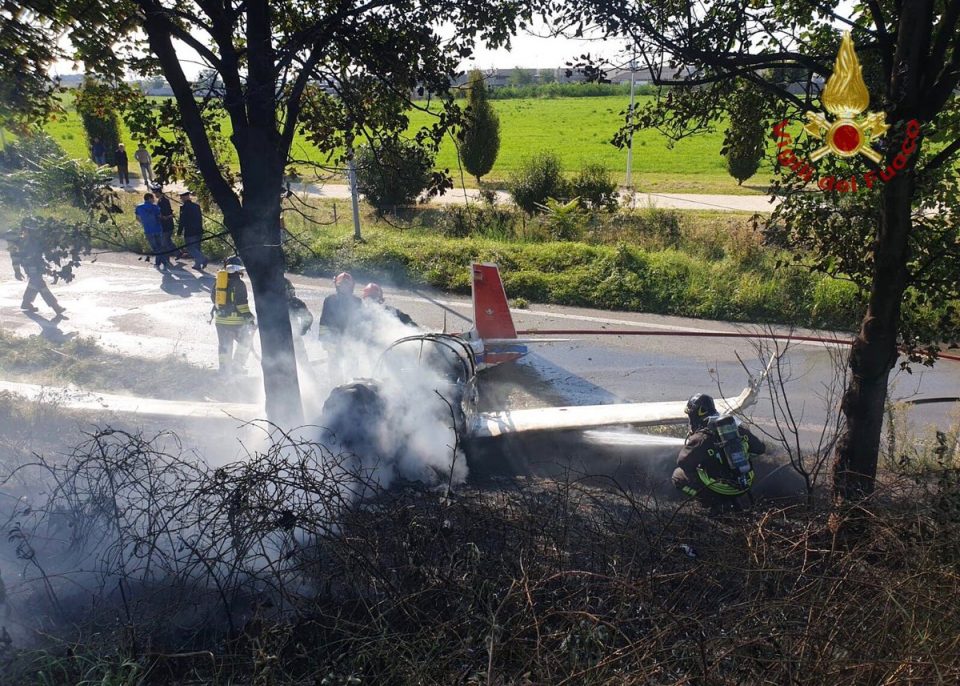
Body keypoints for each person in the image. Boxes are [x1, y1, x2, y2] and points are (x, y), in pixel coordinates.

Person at [672, 393, 765, 513]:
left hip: (721, 489)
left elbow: (683, 462)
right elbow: (760, 449)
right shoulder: (736, 429)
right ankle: (733, 499)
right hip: (745, 485)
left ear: (695, 414)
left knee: (677, 476)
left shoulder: (701, 438)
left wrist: (704, 456)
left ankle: (709, 502)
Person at [7, 226, 66, 317]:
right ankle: (55, 306)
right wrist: (17, 271)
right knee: (40, 284)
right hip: (30, 266)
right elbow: (15, 259)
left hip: (37, 265)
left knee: (34, 284)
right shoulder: (16, 246)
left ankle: (26, 303)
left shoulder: (30, 239)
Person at [211, 256, 256, 375]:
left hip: (220, 321)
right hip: (236, 323)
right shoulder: (239, 284)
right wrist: (250, 318)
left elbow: (213, 300)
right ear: (239, 269)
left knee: (224, 346)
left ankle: (224, 370)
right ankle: (237, 366)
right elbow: (242, 304)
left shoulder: (218, 283)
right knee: (245, 342)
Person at [318, 272, 360, 383]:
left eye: (347, 285)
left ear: (351, 286)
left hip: (350, 339)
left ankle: (352, 384)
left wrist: (358, 339)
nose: (344, 287)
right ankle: (335, 386)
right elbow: (324, 321)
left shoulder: (357, 302)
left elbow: (361, 322)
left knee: (352, 364)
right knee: (334, 365)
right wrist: (325, 340)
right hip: (333, 339)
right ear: (337, 285)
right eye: (342, 285)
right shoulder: (329, 300)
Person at [135, 192, 171, 269]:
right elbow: (160, 217)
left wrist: (144, 223)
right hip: (158, 229)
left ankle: (159, 263)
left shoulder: (139, 207)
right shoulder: (155, 207)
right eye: (153, 198)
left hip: (148, 230)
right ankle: (163, 263)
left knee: (156, 248)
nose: (154, 199)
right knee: (160, 247)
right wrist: (168, 217)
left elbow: (137, 218)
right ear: (149, 198)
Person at [178, 190, 208, 270]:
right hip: (198, 230)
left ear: (185, 197)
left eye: (181, 197)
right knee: (197, 248)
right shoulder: (196, 206)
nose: (180, 198)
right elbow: (200, 219)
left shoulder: (184, 208)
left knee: (190, 248)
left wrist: (179, 232)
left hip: (190, 231)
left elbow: (182, 221)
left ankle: (203, 259)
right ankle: (197, 265)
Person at [155, 187, 177, 263]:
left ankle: (166, 259)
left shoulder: (162, 201)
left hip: (166, 225)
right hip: (168, 224)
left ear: (158, 192)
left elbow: (164, 214)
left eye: (155, 193)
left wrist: (159, 216)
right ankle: (178, 253)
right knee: (168, 241)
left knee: (164, 243)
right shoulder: (163, 200)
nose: (155, 195)